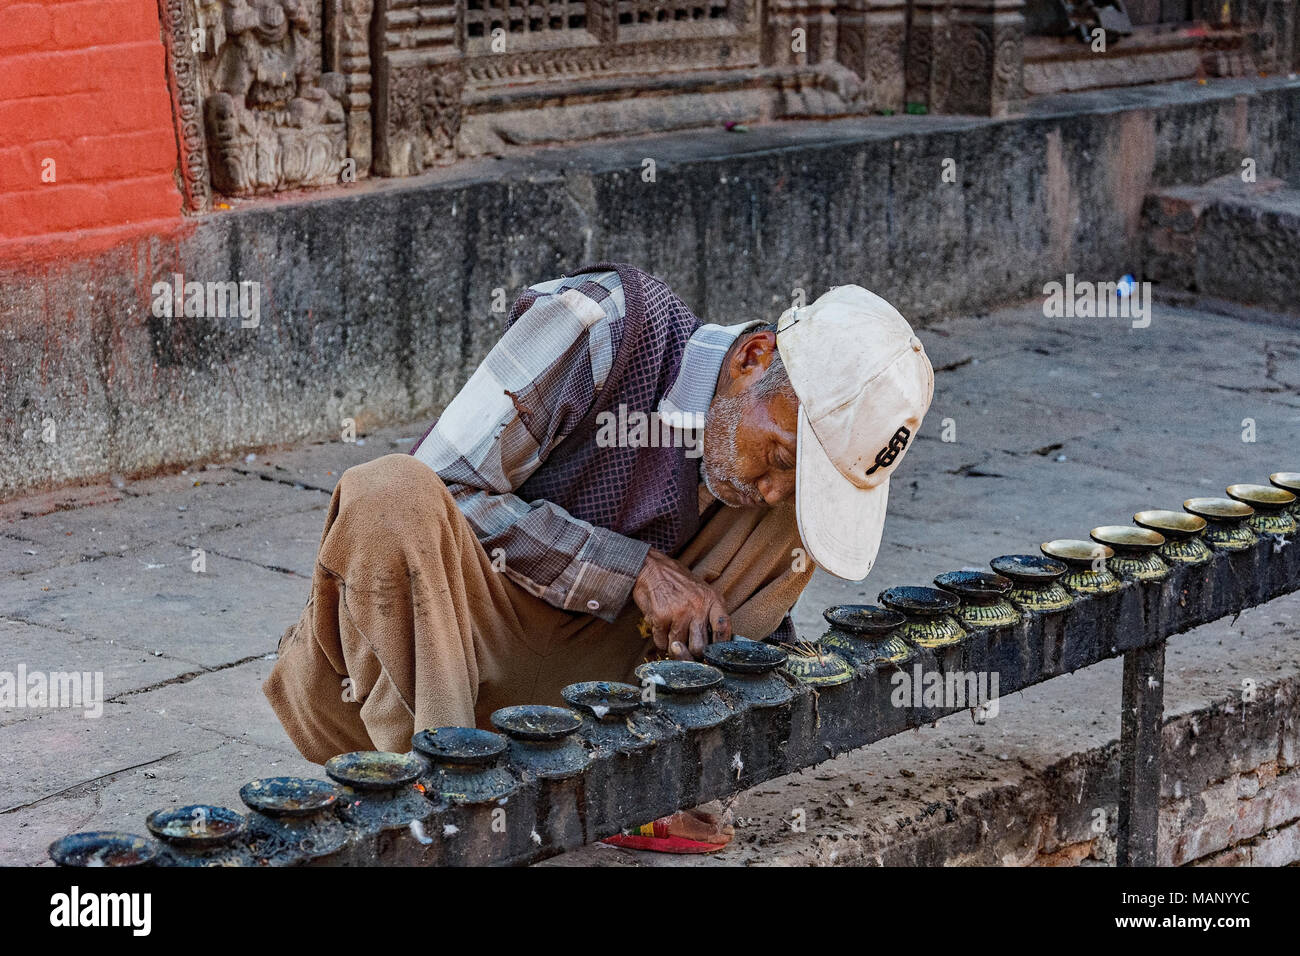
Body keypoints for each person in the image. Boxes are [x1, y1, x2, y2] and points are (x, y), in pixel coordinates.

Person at [264, 263, 933, 852]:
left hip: (573, 689)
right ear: (754, 357)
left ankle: (639, 772)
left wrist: (765, 681)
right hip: (440, 670)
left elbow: (763, 580)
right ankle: (443, 807)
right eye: (783, 456)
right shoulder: (600, 323)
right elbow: (447, 483)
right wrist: (634, 568)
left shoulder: (765, 485)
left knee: (799, 522)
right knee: (388, 493)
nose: (772, 488)